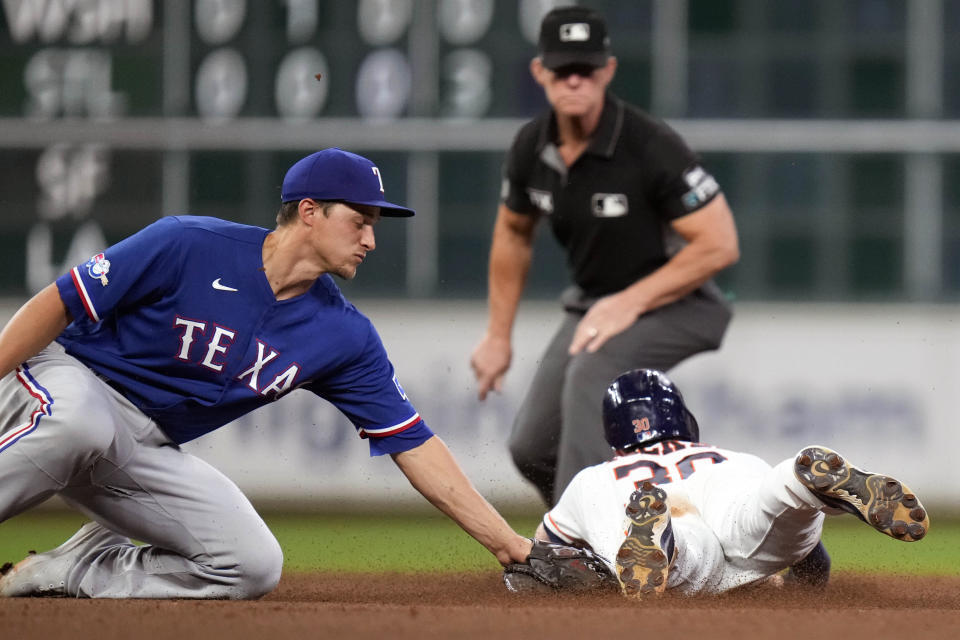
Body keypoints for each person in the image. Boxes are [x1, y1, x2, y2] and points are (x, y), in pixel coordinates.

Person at [0, 147, 533, 599]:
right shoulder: (187, 243)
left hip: (143, 444)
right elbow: (60, 302)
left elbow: (413, 443)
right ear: (309, 212)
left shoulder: (343, 336)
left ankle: (67, 570)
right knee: (81, 423)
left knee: (251, 565)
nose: (370, 239)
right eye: (360, 220)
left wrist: (513, 548)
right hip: (64, 381)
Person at [470, 5, 740, 507]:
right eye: (562, 69)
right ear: (539, 73)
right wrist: (496, 336)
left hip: (683, 304)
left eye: (586, 69)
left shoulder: (648, 145)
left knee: (593, 371)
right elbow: (512, 233)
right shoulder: (532, 148)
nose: (575, 80)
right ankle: (646, 523)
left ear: (608, 71)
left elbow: (720, 243)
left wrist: (629, 302)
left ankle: (581, 554)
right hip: (595, 304)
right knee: (532, 447)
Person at [534, 369, 929, 598]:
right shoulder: (733, 457)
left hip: (638, 497)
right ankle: (798, 480)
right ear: (681, 416)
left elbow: (536, 560)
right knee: (768, 507)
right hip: (722, 478)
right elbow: (814, 563)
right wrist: (794, 602)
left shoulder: (591, 481)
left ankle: (665, 541)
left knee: (689, 558)